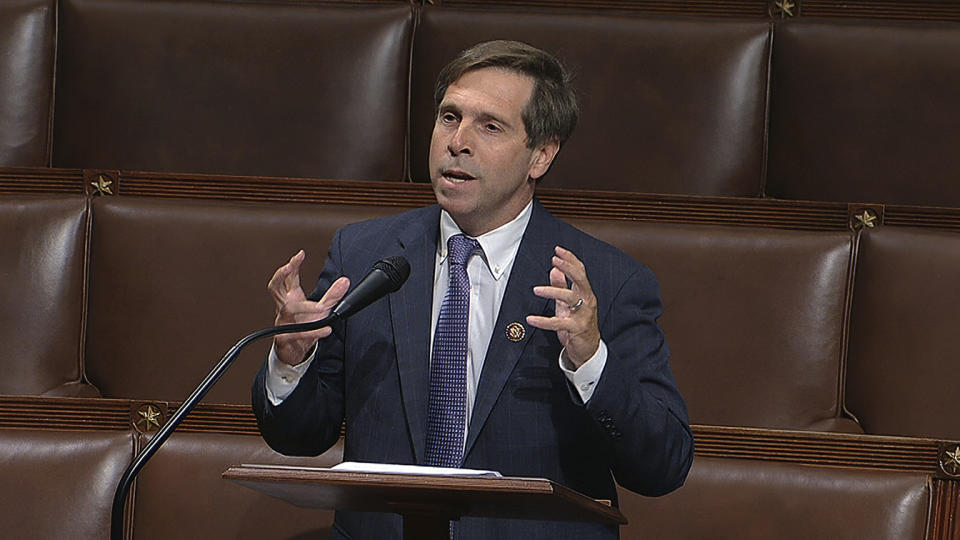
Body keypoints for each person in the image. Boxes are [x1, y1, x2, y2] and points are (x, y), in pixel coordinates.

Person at [253, 40, 693, 539]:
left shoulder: (607, 284)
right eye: (448, 117)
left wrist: (591, 360)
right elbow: (298, 436)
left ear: (540, 156)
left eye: (490, 126)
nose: (458, 141)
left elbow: (663, 467)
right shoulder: (364, 255)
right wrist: (292, 362)